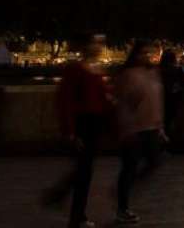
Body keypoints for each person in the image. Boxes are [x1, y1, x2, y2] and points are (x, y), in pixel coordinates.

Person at [43, 33, 111, 228]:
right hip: (83, 125)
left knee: (83, 171)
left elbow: (102, 99)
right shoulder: (76, 69)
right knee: (83, 172)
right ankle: (74, 214)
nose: (99, 46)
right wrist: (70, 131)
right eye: (95, 42)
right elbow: (65, 101)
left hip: (94, 126)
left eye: (101, 42)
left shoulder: (97, 69)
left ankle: (63, 200)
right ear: (86, 45)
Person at [113, 39, 165, 225]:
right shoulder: (128, 75)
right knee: (129, 169)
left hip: (150, 128)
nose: (149, 56)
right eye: (144, 53)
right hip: (134, 129)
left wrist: (159, 127)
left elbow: (156, 101)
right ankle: (122, 207)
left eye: (151, 53)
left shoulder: (152, 73)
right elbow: (124, 105)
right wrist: (127, 129)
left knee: (153, 162)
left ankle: (123, 192)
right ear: (136, 54)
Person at [158, 49, 184, 146]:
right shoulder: (179, 69)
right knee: (171, 122)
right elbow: (183, 84)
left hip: (160, 99)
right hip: (173, 99)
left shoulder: (157, 70)